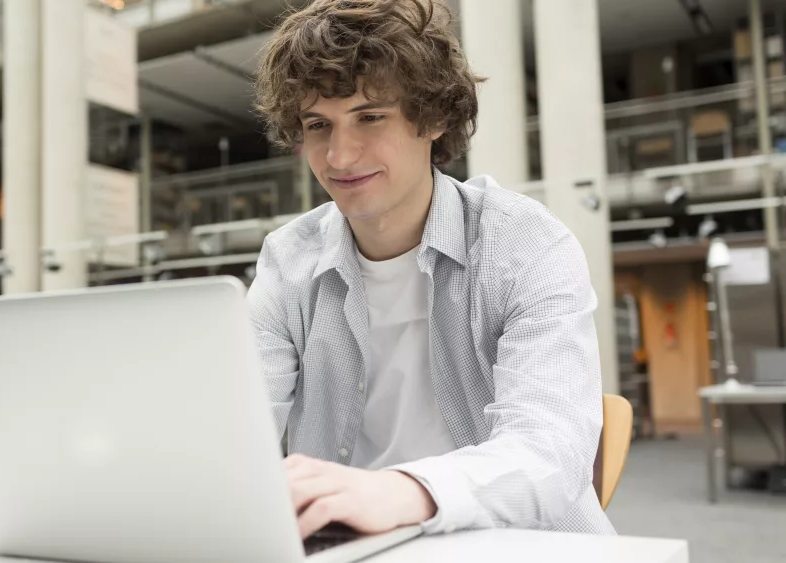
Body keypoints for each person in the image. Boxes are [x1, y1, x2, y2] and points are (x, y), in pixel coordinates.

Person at [249, 0, 615, 540]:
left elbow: (551, 449)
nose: (340, 157)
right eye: (317, 125)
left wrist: (404, 490)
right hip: (354, 548)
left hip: (520, 545)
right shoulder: (288, 260)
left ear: (434, 118)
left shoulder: (524, 244)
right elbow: (239, 432)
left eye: (370, 117)